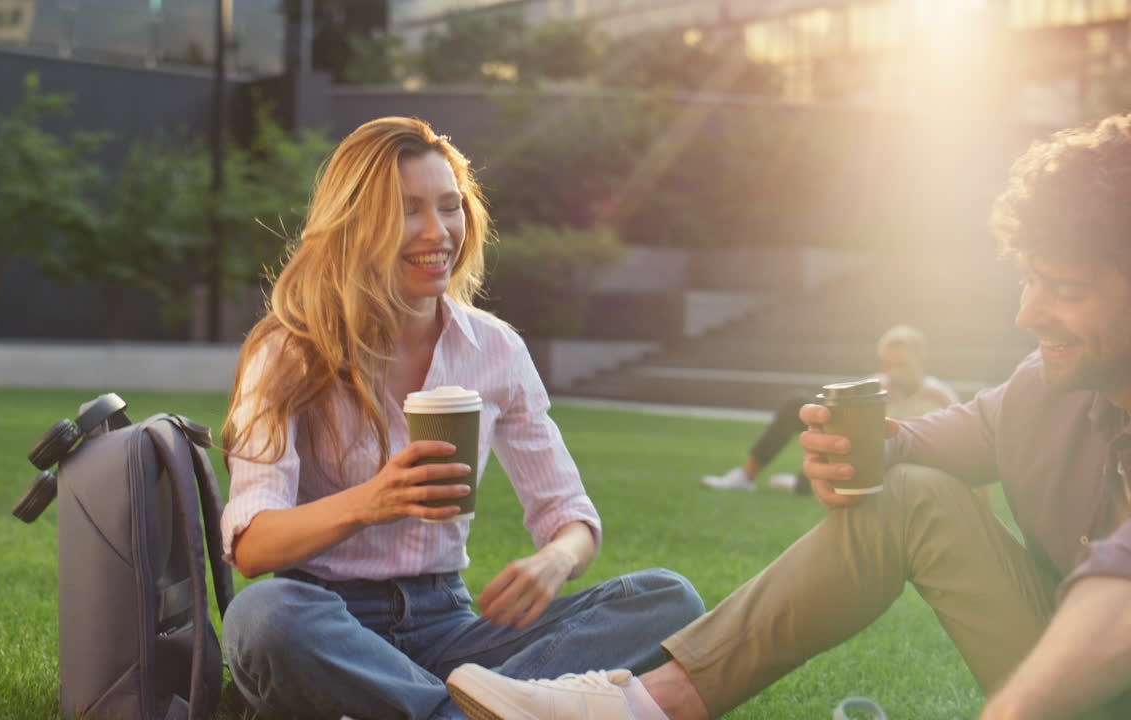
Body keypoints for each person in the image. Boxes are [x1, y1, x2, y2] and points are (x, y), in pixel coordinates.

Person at [443, 113, 1131, 720]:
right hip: (1077, 683)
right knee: (911, 493)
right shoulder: (1049, 388)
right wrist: (870, 451)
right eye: (1029, 279)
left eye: (1063, 288)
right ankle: (641, 708)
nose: (1028, 314)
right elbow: (953, 435)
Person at [217, 116, 704, 720]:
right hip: (329, 623)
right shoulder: (288, 352)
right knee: (262, 619)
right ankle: (480, 709)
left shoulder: (495, 350)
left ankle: (425, 706)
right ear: (353, 227)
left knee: (667, 600)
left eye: (450, 207)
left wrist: (554, 560)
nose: (438, 231)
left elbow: (571, 518)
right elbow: (253, 547)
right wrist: (372, 501)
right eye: (408, 210)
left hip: (452, 629)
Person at [701, 324, 958, 493]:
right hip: (848, 454)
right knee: (799, 405)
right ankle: (745, 477)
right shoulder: (877, 385)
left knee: (820, 480)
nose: (894, 373)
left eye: (902, 364)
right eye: (888, 365)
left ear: (922, 361)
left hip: (884, 473)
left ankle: (799, 484)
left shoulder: (941, 397)